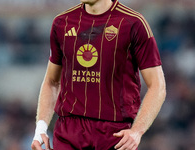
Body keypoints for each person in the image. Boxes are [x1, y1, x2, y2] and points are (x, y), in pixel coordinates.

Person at [31, 0, 166, 150]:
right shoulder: (62, 22)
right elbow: (51, 82)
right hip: (68, 132)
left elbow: (157, 86)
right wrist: (41, 128)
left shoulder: (133, 23)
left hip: (115, 134)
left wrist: (137, 131)